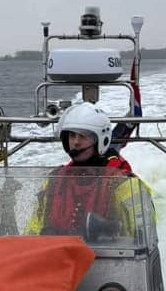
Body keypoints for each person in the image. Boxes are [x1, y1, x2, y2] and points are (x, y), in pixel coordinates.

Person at [24, 102, 151, 240]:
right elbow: (33, 229)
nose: (76, 142)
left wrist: (110, 229)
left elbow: (142, 236)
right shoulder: (54, 181)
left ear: (100, 140)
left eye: (83, 136)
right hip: (56, 257)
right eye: (72, 135)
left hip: (108, 259)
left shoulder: (123, 183)